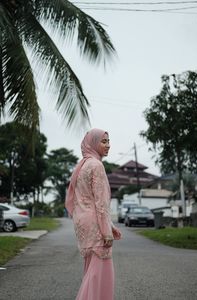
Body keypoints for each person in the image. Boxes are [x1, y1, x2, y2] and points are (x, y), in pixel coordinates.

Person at [65, 128, 122, 300]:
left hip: (83, 223)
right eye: (103, 141)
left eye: (108, 141)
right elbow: (101, 202)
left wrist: (110, 226)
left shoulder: (82, 165)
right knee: (99, 274)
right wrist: (106, 231)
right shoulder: (96, 165)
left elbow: (82, 198)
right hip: (96, 225)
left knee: (92, 270)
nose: (108, 145)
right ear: (93, 143)